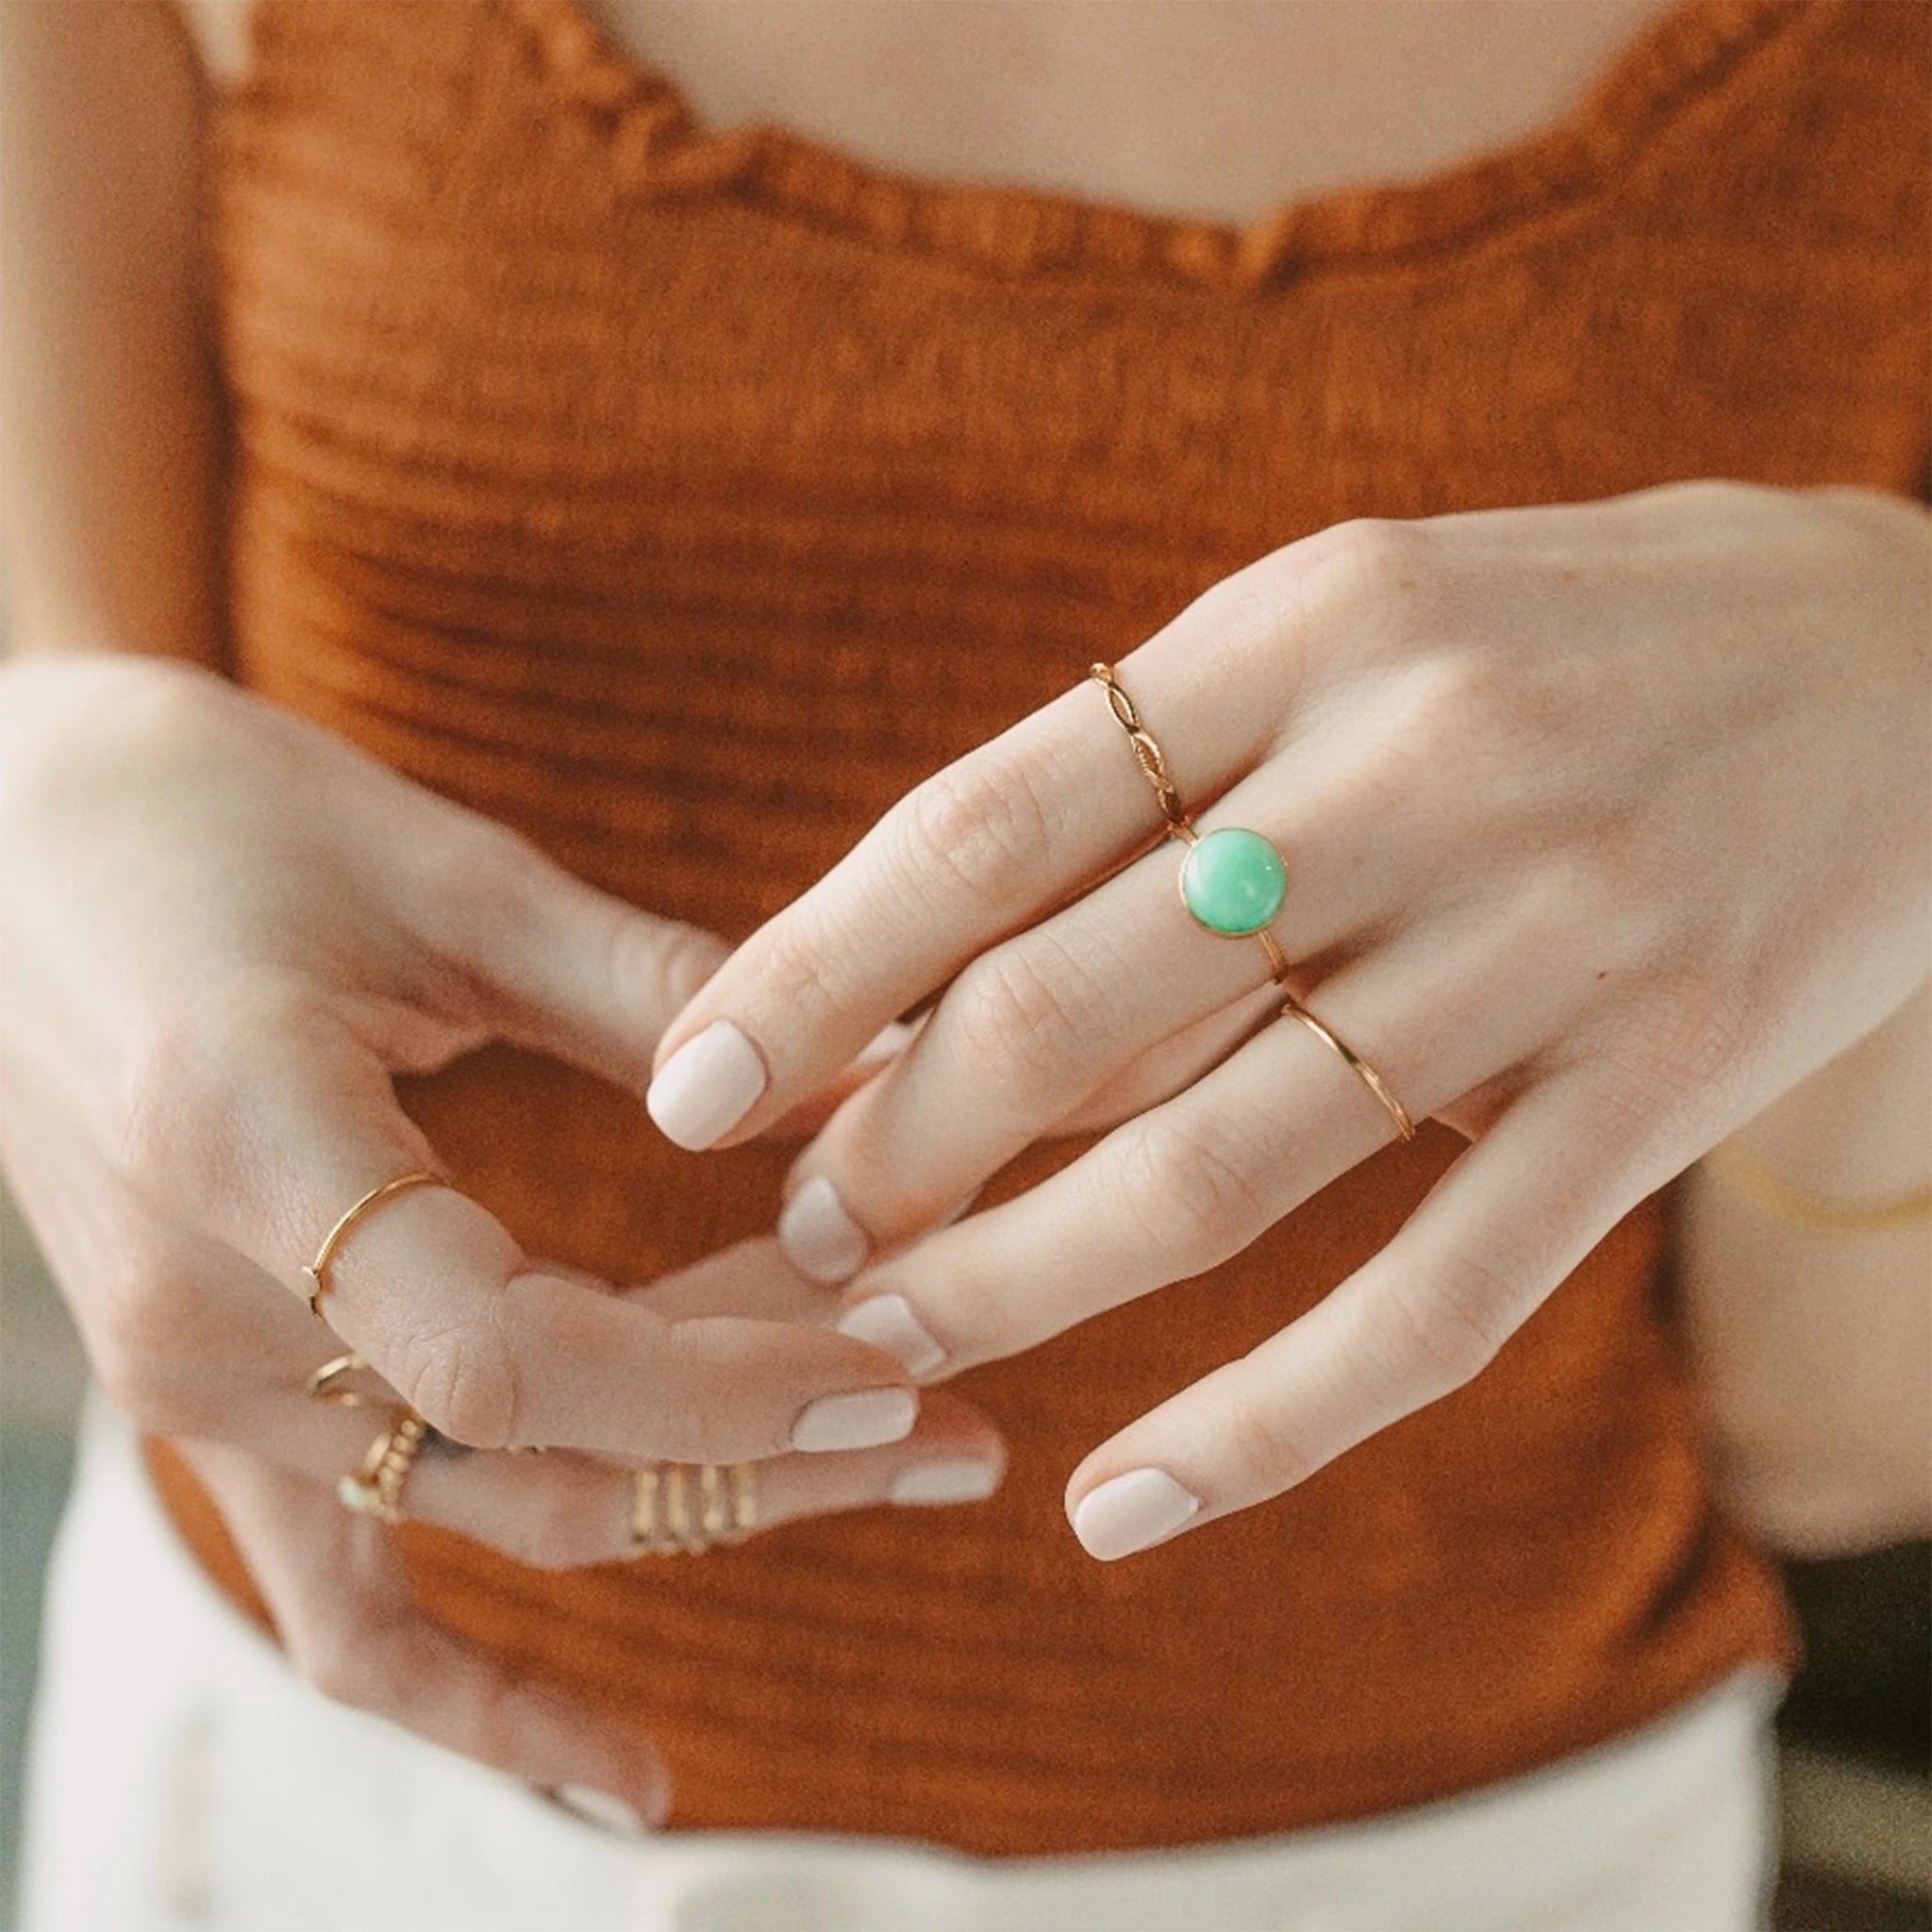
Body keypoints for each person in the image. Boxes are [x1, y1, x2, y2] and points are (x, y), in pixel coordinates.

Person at [3, 1, 1926, 1926]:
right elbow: (81, 692)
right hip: (324, 1776)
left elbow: (1831, 1432)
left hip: (1446, 1845)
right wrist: (50, 813)